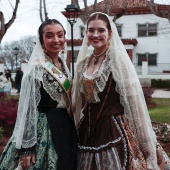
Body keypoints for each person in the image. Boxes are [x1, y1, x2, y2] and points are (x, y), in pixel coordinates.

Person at [72, 12, 170, 170]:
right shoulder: (83, 64)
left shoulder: (118, 62)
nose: (95, 34)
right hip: (87, 132)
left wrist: (146, 143)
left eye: (101, 30)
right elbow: (80, 102)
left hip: (113, 130)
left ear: (110, 33)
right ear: (86, 33)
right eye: (91, 30)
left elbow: (134, 103)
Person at [0, 19, 78, 170]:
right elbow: (27, 110)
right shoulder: (36, 69)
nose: (56, 40)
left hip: (65, 129)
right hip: (44, 129)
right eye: (49, 36)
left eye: (60, 35)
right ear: (42, 40)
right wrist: (26, 148)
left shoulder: (62, 65)